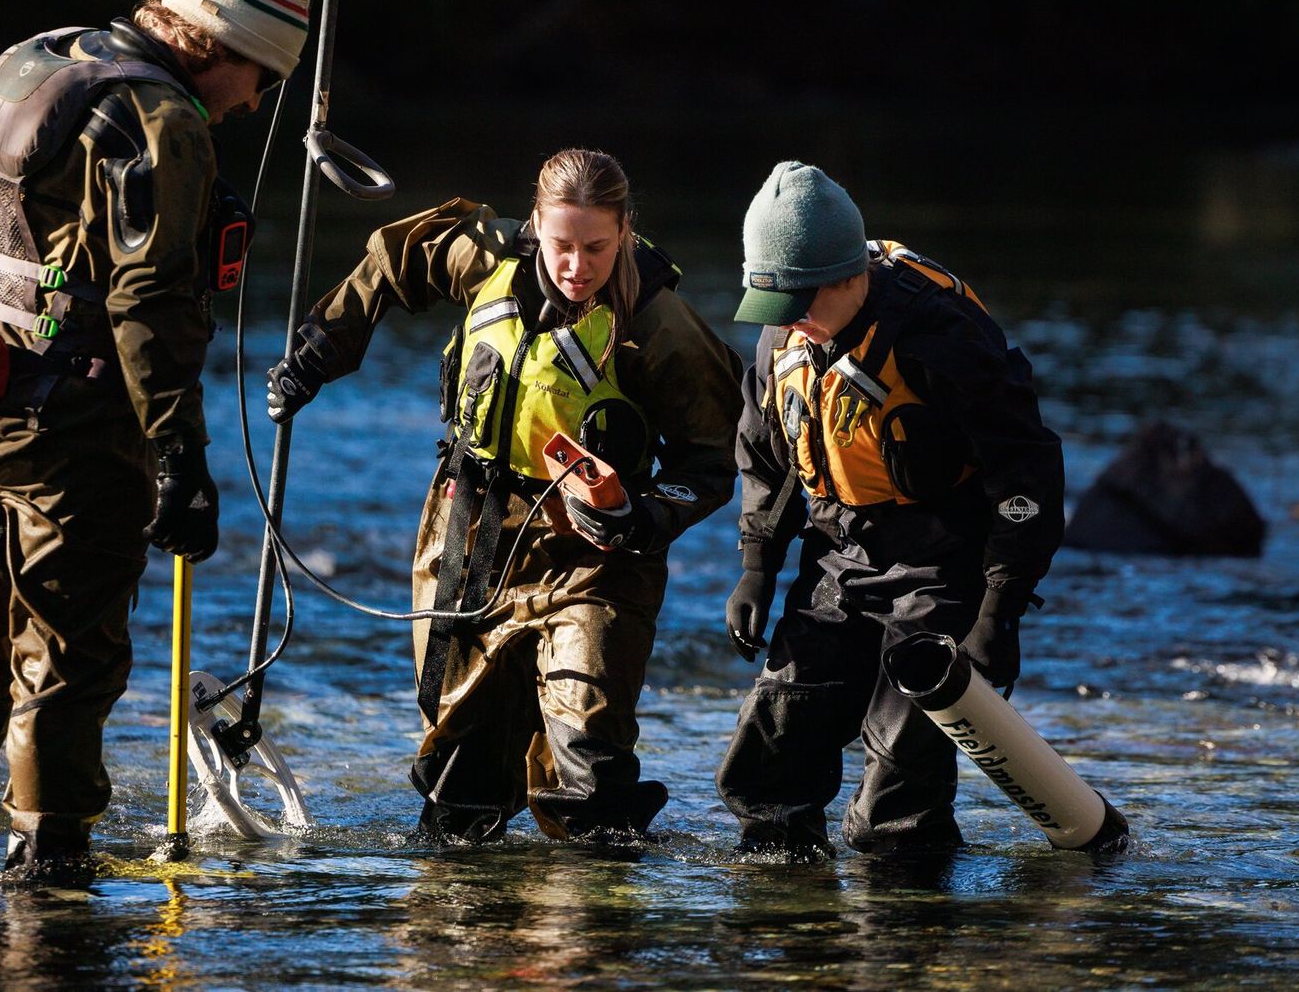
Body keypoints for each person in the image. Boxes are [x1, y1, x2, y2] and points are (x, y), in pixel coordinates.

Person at [0, 0, 311, 883]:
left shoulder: (47, 58)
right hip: (65, 431)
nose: (256, 102)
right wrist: (178, 459)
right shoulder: (161, 121)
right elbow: (149, 305)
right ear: (226, 47)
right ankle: (51, 866)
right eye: (263, 77)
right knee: (67, 657)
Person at [263, 148, 740, 842]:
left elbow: (714, 459)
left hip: (596, 560)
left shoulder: (662, 327)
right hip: (469, 536)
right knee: (461, 790)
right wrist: (316, 354)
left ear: (626, 232)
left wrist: (640, 512)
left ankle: (589, 927)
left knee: (589, 771)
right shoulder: (487, 259)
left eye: (598, 248)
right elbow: (395, 258)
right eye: (562, 245)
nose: (578, 267)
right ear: (535, 226)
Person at [714, 161, 1067, 857]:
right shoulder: (784, 328)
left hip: (942, 556)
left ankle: (910, 938)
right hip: (837, 546)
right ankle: (784, 934)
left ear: (852, 278)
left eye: (801, 308)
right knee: (775, 755)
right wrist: (757, 564)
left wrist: (999, 611)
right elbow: (767, 455)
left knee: (893, 811)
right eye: (774, 310)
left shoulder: (943, 338)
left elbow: (1026, 472)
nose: (792, 328)